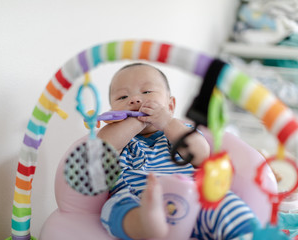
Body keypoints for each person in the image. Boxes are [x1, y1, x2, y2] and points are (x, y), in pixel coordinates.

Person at [97, 62, 257, 240]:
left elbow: (202, 155)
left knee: (225, 202)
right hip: (138, 199)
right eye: (122, 97)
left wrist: (166, 122)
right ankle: (146, 225)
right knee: (113, 208)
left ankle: (245, 235)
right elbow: (100, 149)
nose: (134, 100)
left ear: (170, 106)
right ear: (112, 111)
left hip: (194, 199)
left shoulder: (179, 130)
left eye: (147, 92)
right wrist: (135, 121)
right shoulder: (116, 137)